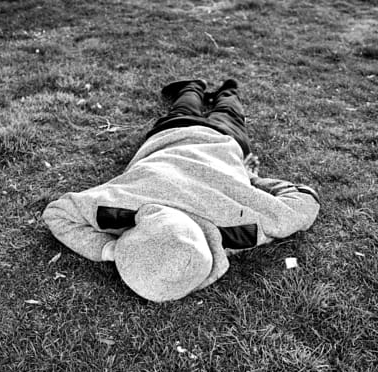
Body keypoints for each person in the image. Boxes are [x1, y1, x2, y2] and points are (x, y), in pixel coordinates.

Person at [42, 78, 319, 302]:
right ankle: (203, 88)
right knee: (190, 108)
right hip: (175, 134)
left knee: (228, 112)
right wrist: (252, 180)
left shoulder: (245, 227)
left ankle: (224, 90)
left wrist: (251, 181)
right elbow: (56, 213)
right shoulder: (119, 202)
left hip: (221, 139)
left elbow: (305, 200)